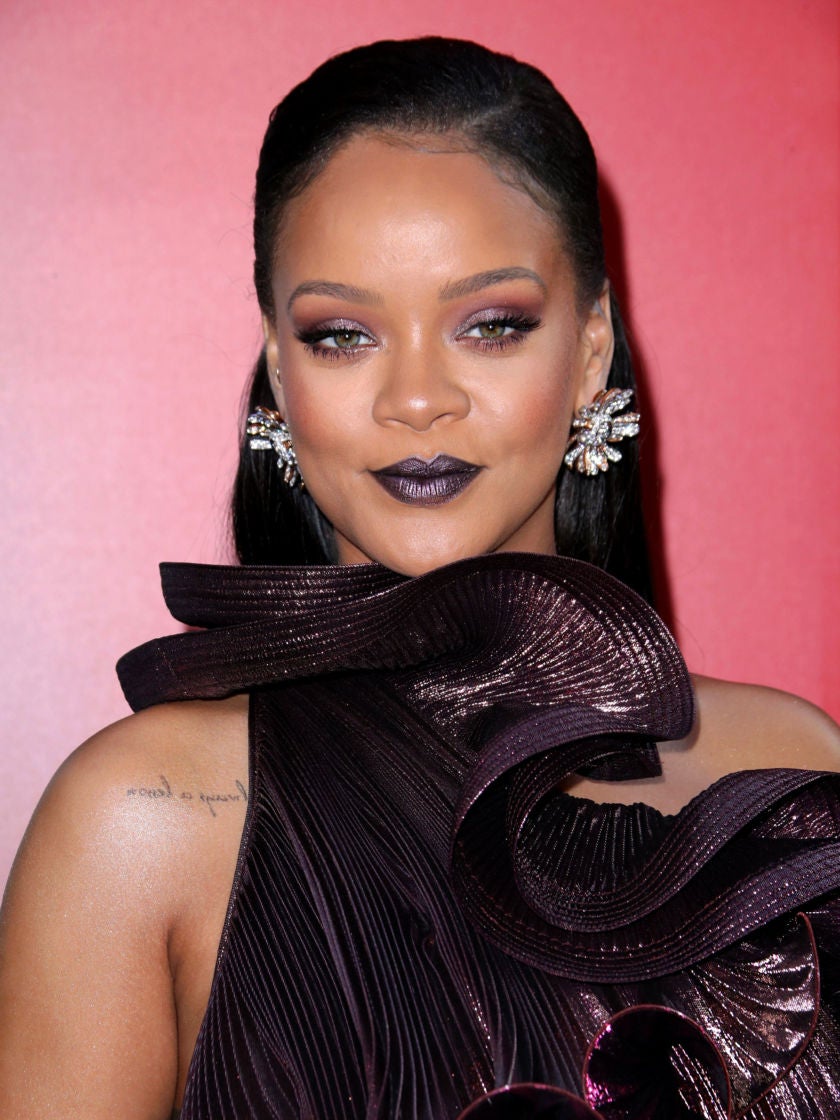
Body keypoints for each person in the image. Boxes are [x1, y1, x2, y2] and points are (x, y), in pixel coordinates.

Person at [0, 36, 838, 1120]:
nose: (416, 398)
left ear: (590, 348)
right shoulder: (141, 823)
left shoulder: (792, 769)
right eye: (343, 335)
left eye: (490, 326)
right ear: (279, 369)